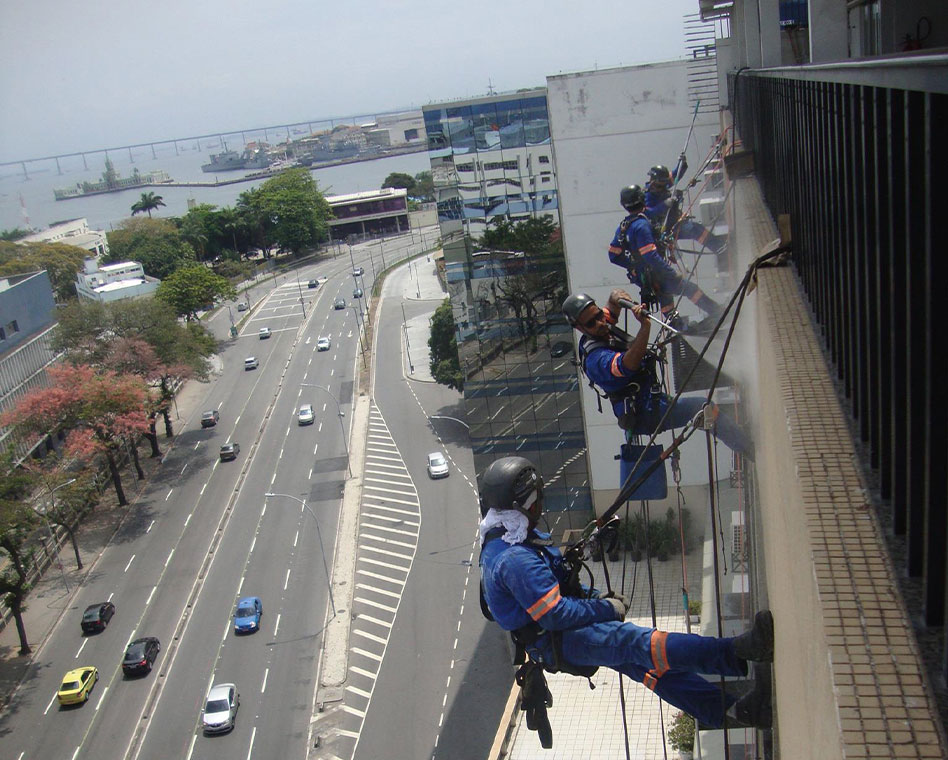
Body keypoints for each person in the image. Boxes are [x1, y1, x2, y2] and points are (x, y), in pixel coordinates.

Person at [478, 456, 773, 730]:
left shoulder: (510, 534)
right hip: (558, 638)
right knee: (640, 644)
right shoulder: (514, 559)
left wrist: (595, 597)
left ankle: (738, 711)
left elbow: (556, 584)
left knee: (650, 667)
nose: (540, 506)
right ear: (525, 505)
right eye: (537, 500)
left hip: (554, 635)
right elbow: (555, 613)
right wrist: (607, 608)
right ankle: (740, 650)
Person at [561, 289, 753, 456]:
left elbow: (612, 302)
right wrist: (645, 326)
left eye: (599, 315)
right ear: (579, 327)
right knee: (702, 408)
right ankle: (750, 449)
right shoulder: (595, 360)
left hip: (652, 399)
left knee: (705, 412)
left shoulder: (599, 324)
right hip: (644, 413)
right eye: (592, 322)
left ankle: (738, 434)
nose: (601, 322)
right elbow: (629, 364)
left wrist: (620, 299)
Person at [608, 185, 723, 328]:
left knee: (665, 298)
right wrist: (671, 273)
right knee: (689, 289)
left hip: (644, 277)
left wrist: (634, 265)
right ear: (642, 199)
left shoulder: (625, 226)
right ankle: (717, 312)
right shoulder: (641, 225)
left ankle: (677, 327)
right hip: (657, 272)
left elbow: (613, 255)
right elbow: (650, 255)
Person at [645, 163, 727, 256]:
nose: (665, 185)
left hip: (674, 222)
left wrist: (682, 164)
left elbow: (676, 175)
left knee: (697, 228)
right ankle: (719, 248)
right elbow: (649, 213)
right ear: (655, 181)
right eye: (662, 182)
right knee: (693, 229)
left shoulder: (662, 185)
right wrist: (664, 204)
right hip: (666, 229)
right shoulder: (648, 195)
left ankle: (720, 245)